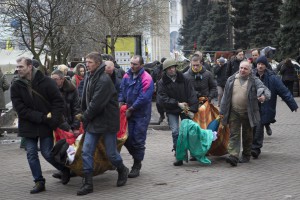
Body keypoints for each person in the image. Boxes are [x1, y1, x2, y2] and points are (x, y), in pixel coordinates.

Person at [10, 57, 70, 194]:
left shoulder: (47, 82)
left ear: (30, 66)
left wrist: (53, 120)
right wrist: (40, 117)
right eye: (17, 67)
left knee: (48, 153)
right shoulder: (16, 85)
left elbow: (58, 102)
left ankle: (65, 169)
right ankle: (39, 181)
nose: (18, 69)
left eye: (21, 67)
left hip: (46, 124)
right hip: (29, 124)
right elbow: (20, 108)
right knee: (31, 153)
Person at [77, 52, 129, 196]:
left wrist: (84, 117)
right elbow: (84, 98)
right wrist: (82, 112)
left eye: (90, 62)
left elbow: (96, 104)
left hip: (106, 121)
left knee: (111, 154)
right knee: (86, 151)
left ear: (98, 64)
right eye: (86, 62)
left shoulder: (104, 80)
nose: (87, 64)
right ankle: (88, 183)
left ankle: (122, 169)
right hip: (94, 121)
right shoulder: (89, 75)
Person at [220, 60, 271, 167]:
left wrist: (263, 97)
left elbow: (265, 90)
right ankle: (233, 156)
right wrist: (222, 111)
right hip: (234, 111)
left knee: (247, 135)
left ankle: (246, 154)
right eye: (241, 68)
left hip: (248, 112)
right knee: (234, 134)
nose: (243, 70)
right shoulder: (231, 79)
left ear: (250, 70)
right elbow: (225, 97)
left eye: (245, 68)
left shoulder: (254, 80)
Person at [251, 56, 298, 158]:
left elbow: (284, 91)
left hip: (265, 106)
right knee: (252, 127)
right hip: (252, 106)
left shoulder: (272, 78)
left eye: (262, 64)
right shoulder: (251, 75)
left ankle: (255, 148)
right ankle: (251, 147)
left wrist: (293, 104)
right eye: (259, 64)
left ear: (265, 65)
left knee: (259, 126)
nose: (260, 66)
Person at [157, 58, 198, 166]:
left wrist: (192, 109)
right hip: (172, 109)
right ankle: (179, 155)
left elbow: (191, 94)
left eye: (173, 67)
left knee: (188, 131)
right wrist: (176, 104)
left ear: (176, 67)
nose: (171, 70)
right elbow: (162, 98)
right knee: (175, 131)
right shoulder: (162, 82)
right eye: (169, 68)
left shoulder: (185, 78)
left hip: (185, 108)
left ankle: (193, 152)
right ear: (165, 70)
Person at [119, 55, 154, 178]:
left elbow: (144, 97)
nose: (132, 66)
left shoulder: (147, 78)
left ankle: (136, 165)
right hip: (127, 112)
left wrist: (132, 108)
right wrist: (120, 102)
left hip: (141, 114)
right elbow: (122, 91)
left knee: (138, 139)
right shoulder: (127, 76)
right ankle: (136, 157)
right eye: (131, 63)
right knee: (126, 138)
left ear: (141, 65)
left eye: (135, 64)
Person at [50, 69, 82, 179]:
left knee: (70, 149)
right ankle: (64, 170)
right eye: (51, 79)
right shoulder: (51, 90)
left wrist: (76, 127)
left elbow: (76, 109)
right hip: (58, 125)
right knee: (58, 149)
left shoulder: (72, 90)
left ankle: (71, 170)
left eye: (55, 79)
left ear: (62, 79)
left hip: (70, 124)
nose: (53, 82)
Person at [152, 57, 166, 124]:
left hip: (167, 89)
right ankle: (162, 115)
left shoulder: (168, 69)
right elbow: (153, 78)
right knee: (158, 103)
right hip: (159, 89)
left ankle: (169, 118)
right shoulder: (157, 69)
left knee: (168, 104)